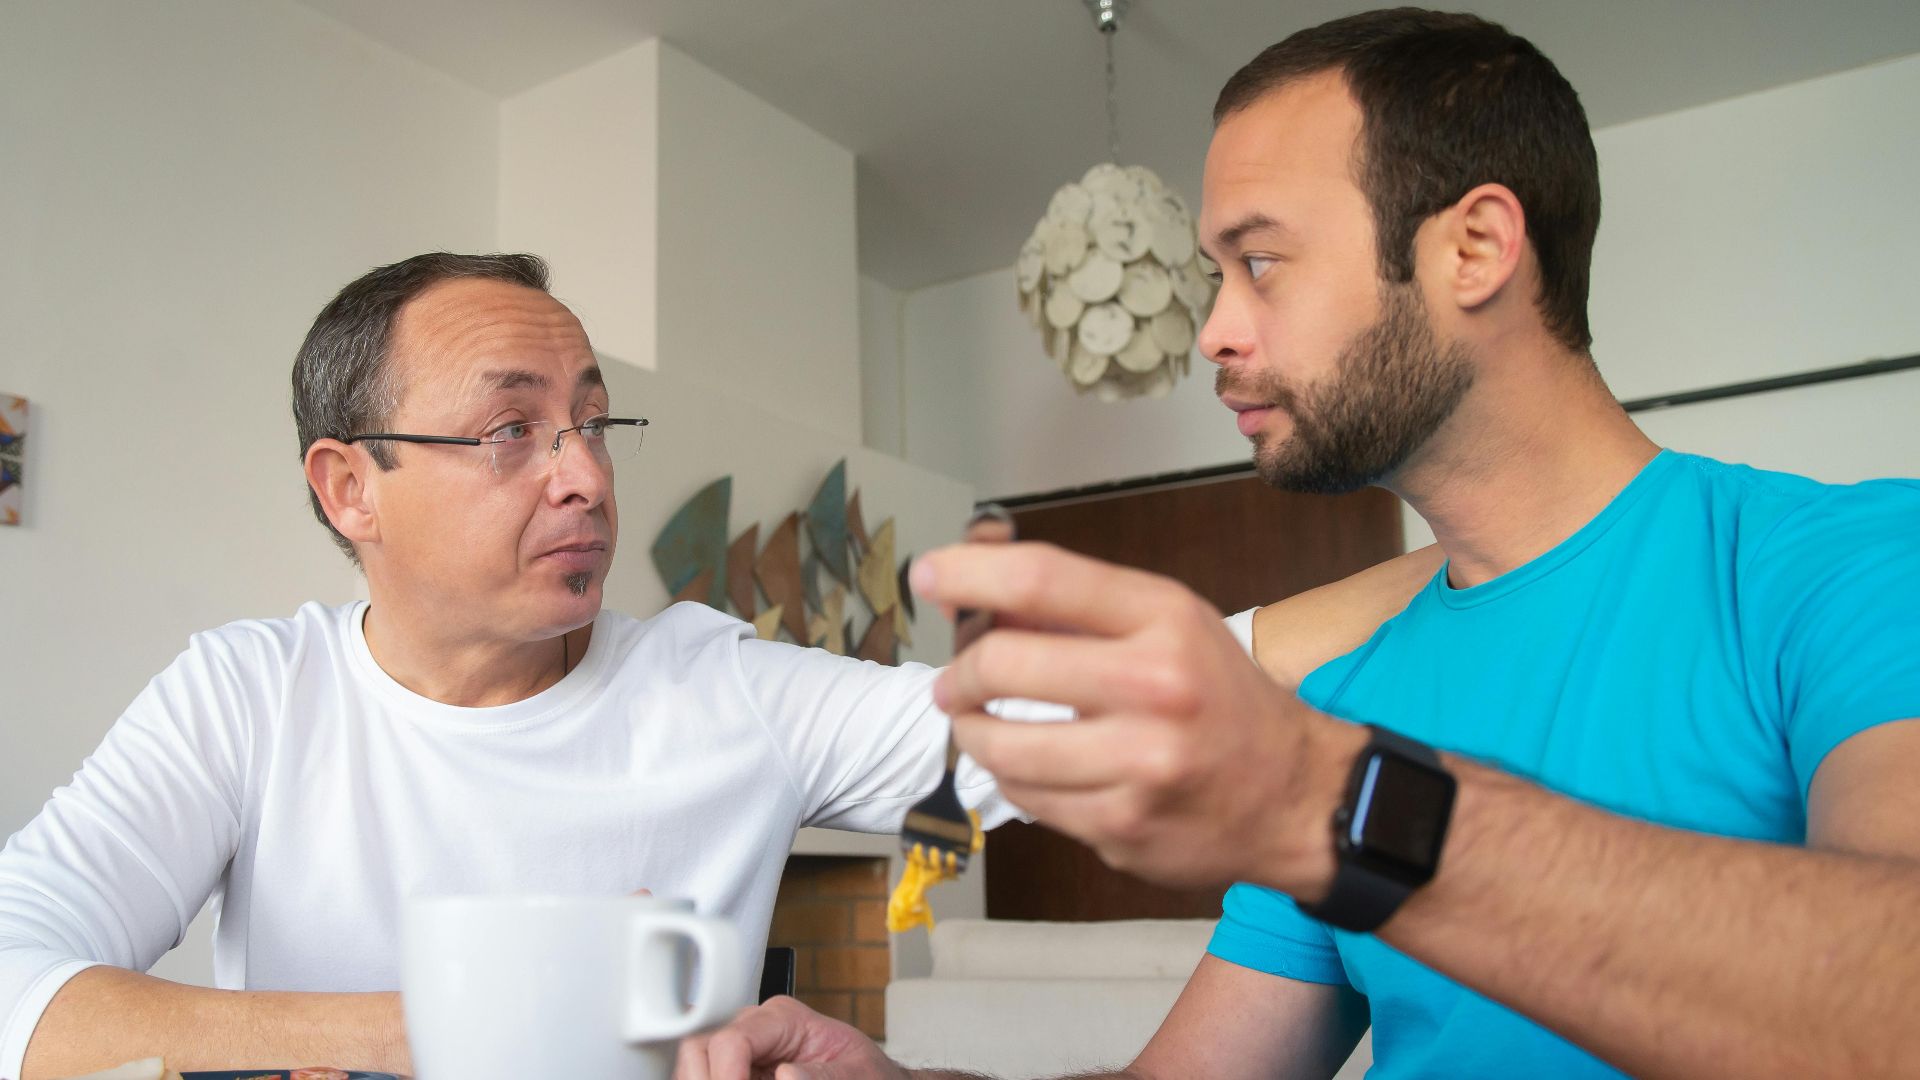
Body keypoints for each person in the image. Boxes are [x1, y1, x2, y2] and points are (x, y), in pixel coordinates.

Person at [678, 9, 1920, 1079]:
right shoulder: (1352, 699)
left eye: (1261, 262)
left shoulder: (1851, 569)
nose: (1216, 330)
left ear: (1475, 248)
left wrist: (1317, 797)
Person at [0, 253, 1014, 1079]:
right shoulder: (247, 696)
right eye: (510, 431)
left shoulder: (723, 690)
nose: (585, 478)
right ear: (351, 488)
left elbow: (1066, 736)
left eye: (593, 424)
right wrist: (455, 1031)